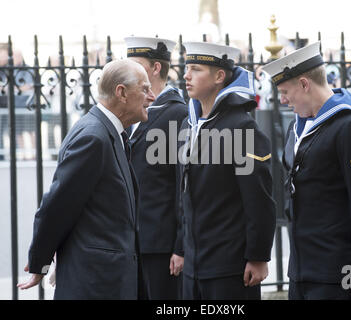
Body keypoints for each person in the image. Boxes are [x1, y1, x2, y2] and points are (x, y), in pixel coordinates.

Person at [17, 59, 155, 299]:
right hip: (96, 285)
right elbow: (58, 206)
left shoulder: (108, 133)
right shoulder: (94, 137)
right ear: (121, 93)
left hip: (109, 280)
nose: (152, 96)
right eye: (144, 89)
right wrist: (40, 261)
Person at [263, 41, 351, 300]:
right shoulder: (297, 128)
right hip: (301, 271)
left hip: (336, 274)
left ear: (305, 84)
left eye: (286, 91)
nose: (283, 100)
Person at [179, 42, 276, 300]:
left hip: (228, 269)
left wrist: (258, 257)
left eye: (196, 69)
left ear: (219, 77)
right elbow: (186, 196)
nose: (186, 75)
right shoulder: (191, 124)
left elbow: (259, 200)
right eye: (187, 68)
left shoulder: (241, 127)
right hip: (194, 266)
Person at [124, 36, 187, 299]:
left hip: (162, 244)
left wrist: (180, 246)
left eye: (136, 65)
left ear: (156, 69)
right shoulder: (130, 109)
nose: (128, 71)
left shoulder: (177, 113)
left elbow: (184, 185)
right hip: (131, 241)